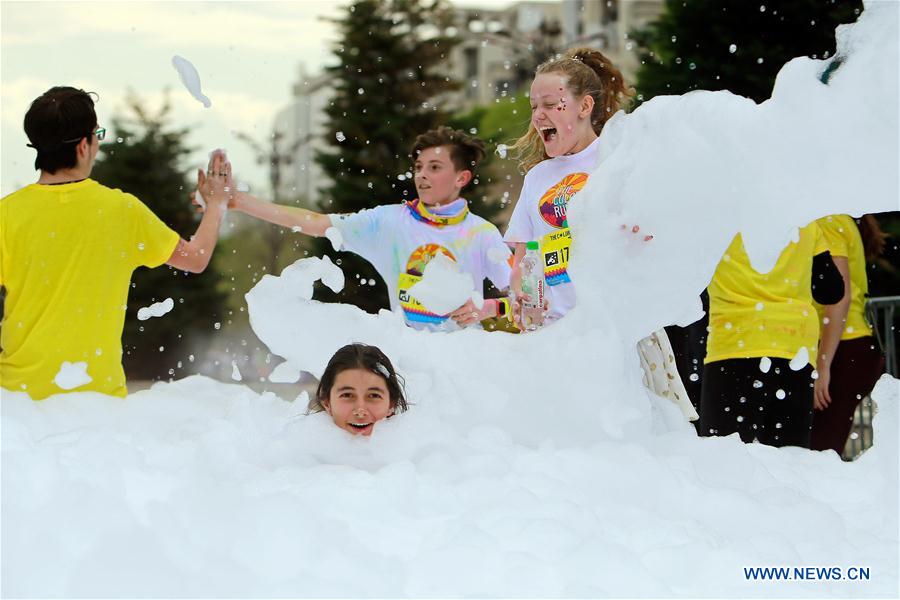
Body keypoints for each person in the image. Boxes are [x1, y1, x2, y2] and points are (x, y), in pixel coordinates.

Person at [0, 86, 231, 400]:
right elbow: (196, 258)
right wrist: (216, 203)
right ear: (84, 145)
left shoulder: (7, 214)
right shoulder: (120, 211)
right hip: (97, 401)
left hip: (18, 400)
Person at [209, 127, 512, 330]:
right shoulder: (390, 222)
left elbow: (525, 298)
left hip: (465, 362)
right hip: (409, 361)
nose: (421, 176)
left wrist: (490, 308)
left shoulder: (481, 233)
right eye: (418, 167)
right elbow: (317, 223)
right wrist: (236, 201)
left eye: (434, 167)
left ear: (462, 178)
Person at [505, 47, 641, 328]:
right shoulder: (536, 179)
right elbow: (522, 263)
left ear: (584, 106)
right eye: (534, 107)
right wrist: (519, 295)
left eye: (551, 104)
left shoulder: (618, 161)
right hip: (555, 334)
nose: (539, 116)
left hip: (615, 329)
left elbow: (651, 241)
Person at [699, 223, 844, 448]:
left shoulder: (720, 218)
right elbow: (831, 290)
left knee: (723, 457)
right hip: (794, 349)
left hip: (735, 340)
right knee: (789, 458)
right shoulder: (804, 222)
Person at [811, 214, 886, 455]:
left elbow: (839, 297)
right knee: (820, 451)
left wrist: (823, 366)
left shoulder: (826, 221)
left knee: (818, 454)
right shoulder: (839, 219)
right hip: (851, 345)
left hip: (842, 347)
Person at [307, 343, 408, 436]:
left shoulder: (416, 452)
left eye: (374, 395)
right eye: (347, 395)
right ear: (327, 403)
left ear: (391, 404)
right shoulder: (301, 452)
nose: (360, 411)